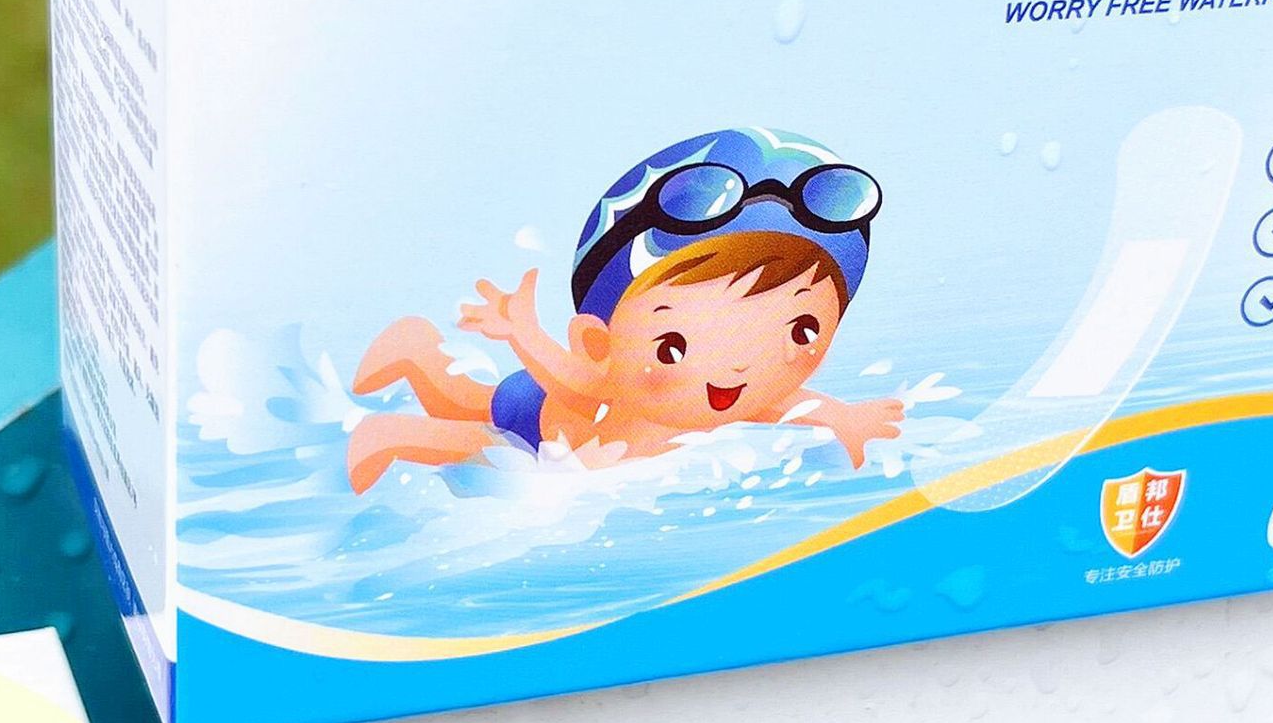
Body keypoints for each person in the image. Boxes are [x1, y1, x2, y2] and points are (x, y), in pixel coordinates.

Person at [346, 128, 905, 492]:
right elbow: (570, 380)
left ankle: (416, 354)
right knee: (480, 434)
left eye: (801, 331)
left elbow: (788, 404)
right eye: (673, 346)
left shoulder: (747, 393)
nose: (740, 368)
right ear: (598, 343)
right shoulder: (605, 383)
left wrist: (845, 418)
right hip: (550, 421)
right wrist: (521, 332)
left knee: (471, 407)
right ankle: (396, 410)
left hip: (561, 403)